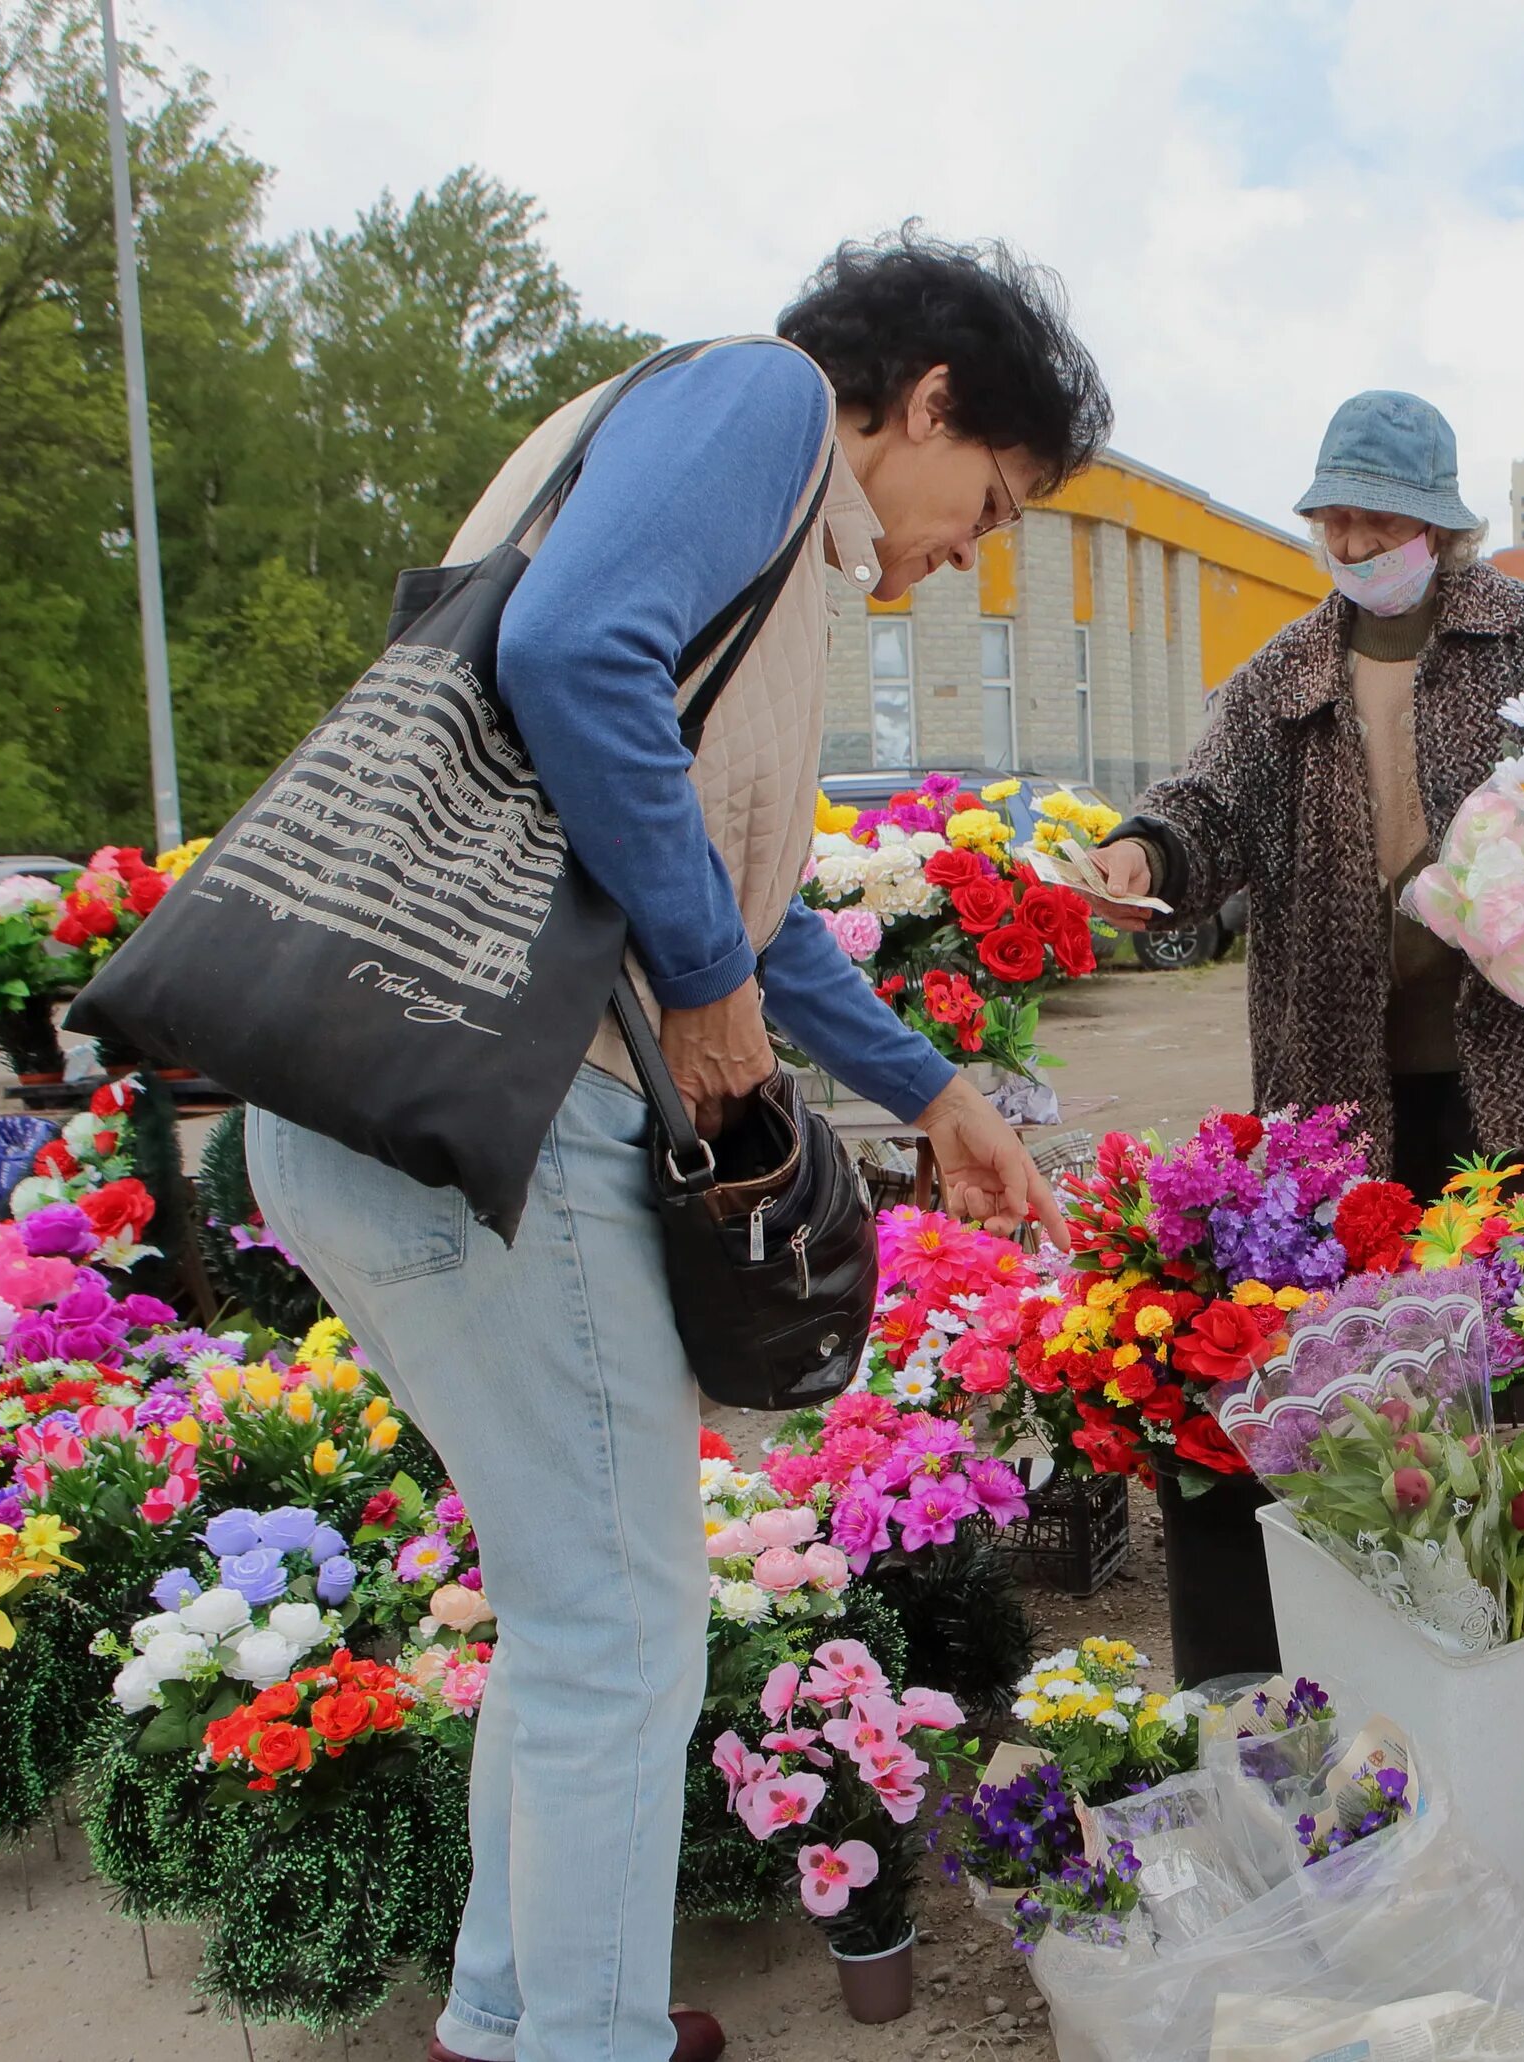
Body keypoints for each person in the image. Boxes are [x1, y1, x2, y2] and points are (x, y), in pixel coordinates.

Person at [247, 227, 1105, 2062]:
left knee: (577, 1621)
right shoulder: (764, 401)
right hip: (505, 1113)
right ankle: (583, 2039)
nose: (971, 549)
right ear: (930, 399)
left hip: (396, 1111)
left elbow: (756, 910)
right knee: (626, 1629)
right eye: (995, 493)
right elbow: (572, 654)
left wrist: (936, 1092)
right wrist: (705, 978)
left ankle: (515, 2014)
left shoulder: (765, 554)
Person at [1090, 390, 1524, 1200]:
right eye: (1335, 521)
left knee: (1514, 1301)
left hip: (1517, 1046)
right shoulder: (1287, 668)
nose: (1352, 544)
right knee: (1362, 1310)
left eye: (1377, 522)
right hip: (1338, 1057)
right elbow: (1212, 800)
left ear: (1440, 529)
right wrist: (1149, 851)